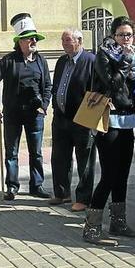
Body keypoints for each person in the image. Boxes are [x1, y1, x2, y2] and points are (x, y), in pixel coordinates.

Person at [82, 16, 135, 246]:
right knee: (109, 174)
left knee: (122, 175)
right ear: (112, 35)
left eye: (128, 35)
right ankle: (91, 227)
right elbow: (112, 84)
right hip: (107, 120)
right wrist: (123, 61)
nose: (124, 40)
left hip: (128, 120)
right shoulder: (104, 55)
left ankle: (118, 222)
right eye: (120, 35)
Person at [0, 13, 52, 201]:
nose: (33, 40)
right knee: (11, 152)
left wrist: (44, 105)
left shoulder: (41, 61)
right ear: (20, 41)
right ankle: (12, 186)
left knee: (37, 153)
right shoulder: (8, 61)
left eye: (35, 38)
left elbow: (48, 85)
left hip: (35, 115)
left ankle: (36, 185)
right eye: (29, 38)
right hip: (13, 114)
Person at [49, 28, 96, 211]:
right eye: (62, 40)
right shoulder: (62, 61)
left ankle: (83, 198)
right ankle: (62, 193)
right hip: (61, 118)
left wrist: (90, 118)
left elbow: (95, 91)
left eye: (68, 40)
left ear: (79, 41)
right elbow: (56, 86)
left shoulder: (90, 61)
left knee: (85, 160)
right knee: (59, 157)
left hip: (83, 120)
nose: (64, 43)